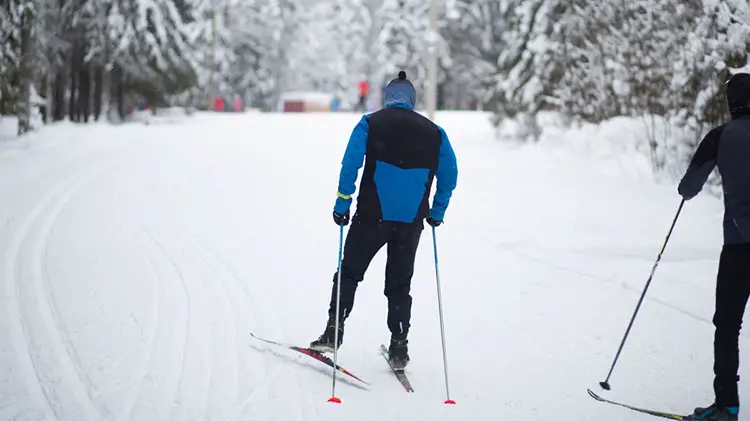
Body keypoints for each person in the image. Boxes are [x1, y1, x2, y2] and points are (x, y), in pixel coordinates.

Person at [309, 71, 458, 369]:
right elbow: (450, 175)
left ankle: (333, 330)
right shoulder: (436, 133)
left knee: (350, 272)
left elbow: (350, 163)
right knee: (400, 284)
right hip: (410, 221)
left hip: (371, 216)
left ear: (388, 98)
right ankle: (399, 346)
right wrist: (436, 212)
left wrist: (342, 202)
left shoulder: (370, 123)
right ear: (412, 101)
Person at [678, 72, 750, 421]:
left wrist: (686, 190)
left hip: (739, 248)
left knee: (727, 325)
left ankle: (727, 407)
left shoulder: (720, 137)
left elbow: (689, 186)